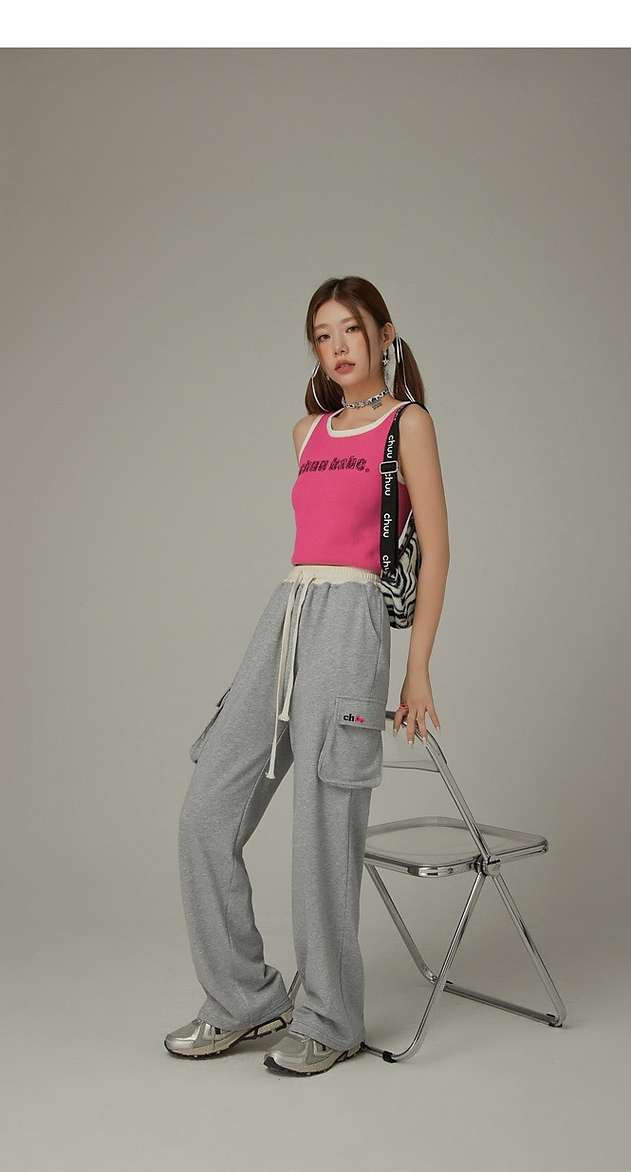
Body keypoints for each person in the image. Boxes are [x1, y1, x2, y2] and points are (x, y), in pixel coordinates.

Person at [165, 275, 449, 1076]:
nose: (337, 347)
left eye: (350, 329)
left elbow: (437, 551)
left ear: (383, 334)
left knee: (323, 831)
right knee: (205, 812)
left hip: (353, 623)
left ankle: (330, 1018)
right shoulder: (307, 432)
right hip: (285, 615)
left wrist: (417, 670)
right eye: (322, 336)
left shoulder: (408, 424)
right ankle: (244, 999)